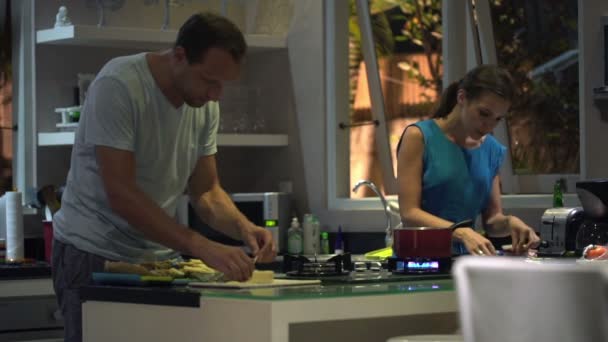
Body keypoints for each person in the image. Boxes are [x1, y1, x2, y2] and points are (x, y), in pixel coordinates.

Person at [51, 12, 276, 341]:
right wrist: (202, 246)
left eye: (223, 85)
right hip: (92, 253)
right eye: (209, 80)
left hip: (156, 259)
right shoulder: (120, 85)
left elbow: (207, 193)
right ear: (180, 55)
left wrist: (244, 229)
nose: (216, 95)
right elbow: (122, 193)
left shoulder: (204, 107)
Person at [396, 64, 540, 257]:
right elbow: (409, 213)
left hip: (468, 261)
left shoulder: (492, 149)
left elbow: (492, 222)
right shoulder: (419, 136)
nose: (489, 125)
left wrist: (510, 222)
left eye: (498, 119)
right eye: (484, 113)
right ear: (462, 97)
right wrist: (459, 231)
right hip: (420, 260)